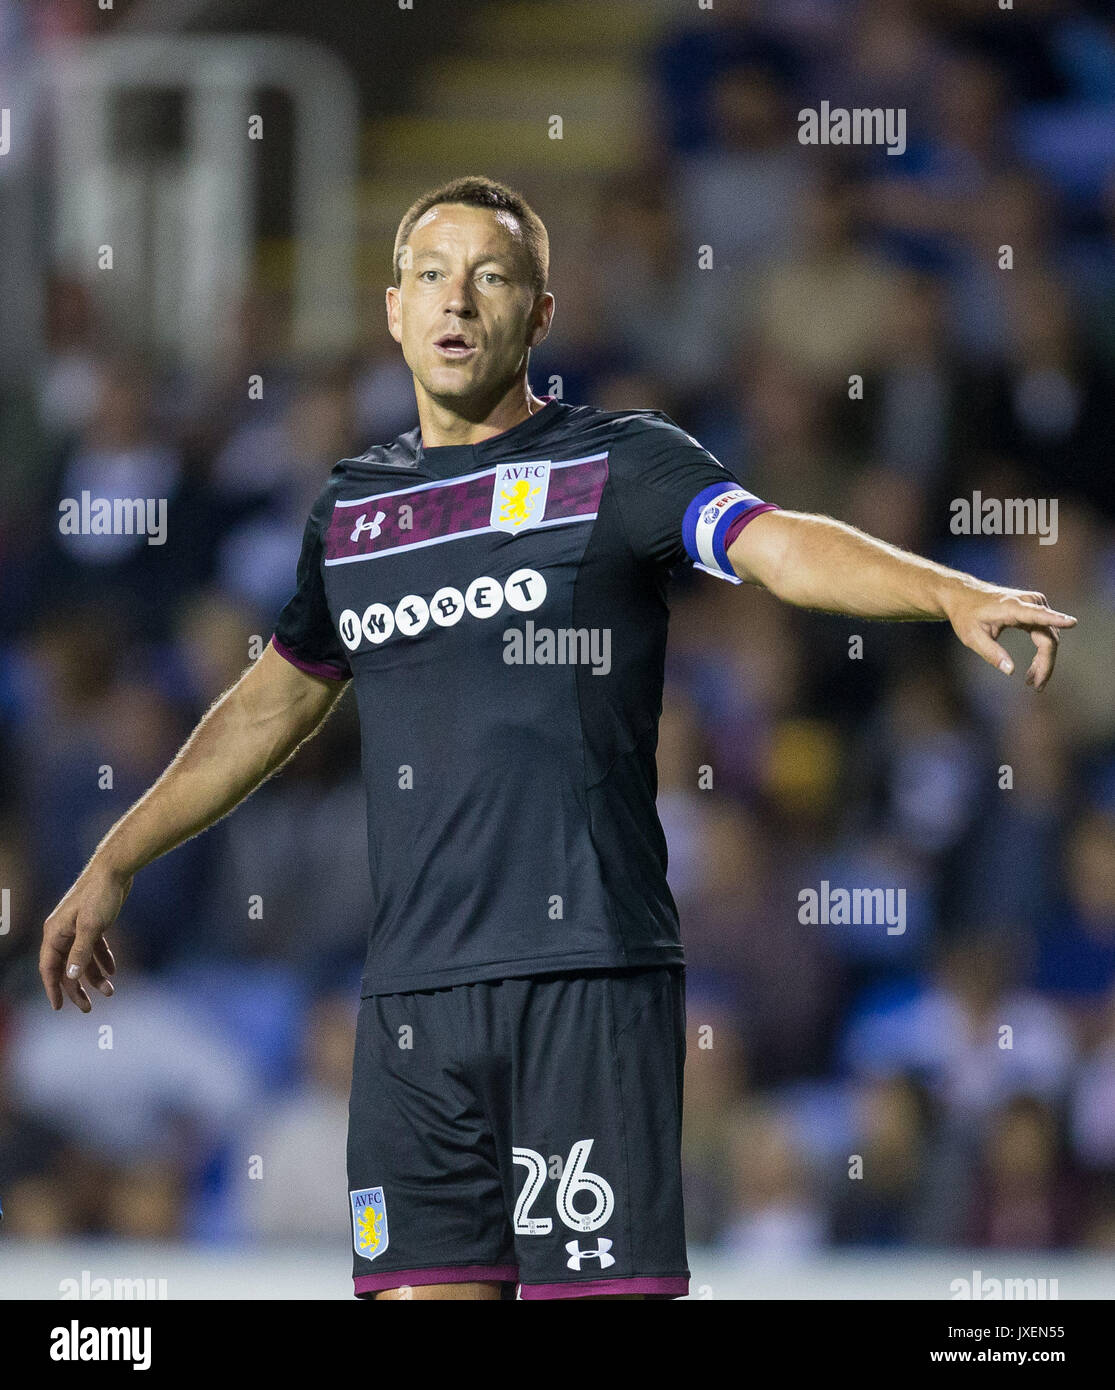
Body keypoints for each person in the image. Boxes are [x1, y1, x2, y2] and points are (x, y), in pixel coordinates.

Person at [40, 175, 1077, 1301]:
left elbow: (776, 546)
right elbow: (271, 702)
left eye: (491, 277)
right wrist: (117, 856)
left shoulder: (617, 461)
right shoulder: (352, 511)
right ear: (392, 311)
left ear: (538, 315)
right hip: (413, 1007)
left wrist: (945, 594)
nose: (457, 299)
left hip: (584, 978)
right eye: (431, 275)